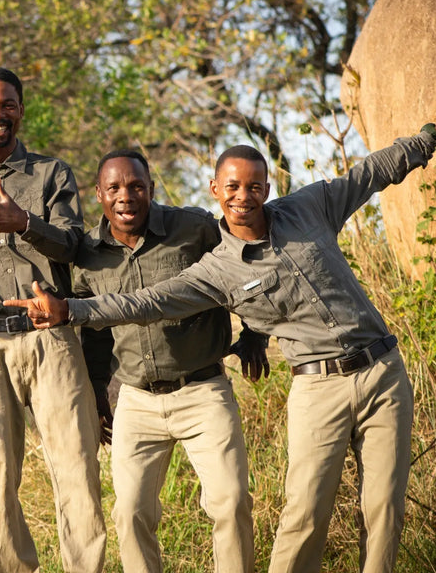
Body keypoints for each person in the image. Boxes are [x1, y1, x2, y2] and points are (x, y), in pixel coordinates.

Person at [5, 107, 436, 573]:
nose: (243, 197)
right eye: (231, 187)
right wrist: (71, 311)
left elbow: (371, 172)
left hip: (383, 371)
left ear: (268, 189)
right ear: (215, 191)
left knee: (385, 508)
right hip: (316, 385)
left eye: (253, 186)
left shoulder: (309, 207)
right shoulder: (216, 270)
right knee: (304, 513)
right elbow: (145, 302)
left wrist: (431, 136)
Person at [75, 149, 267, 572]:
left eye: (136, 186)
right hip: (136, 402)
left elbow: (247, 267)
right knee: (130, 513)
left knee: (231, 503)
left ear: (151, 189)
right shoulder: (88, 253)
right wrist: (99, 392)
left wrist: (256, 332)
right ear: (99, 194)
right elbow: (92, 332)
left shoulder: (193, 228)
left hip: (203, 392)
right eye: (114, 188)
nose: (126, 196)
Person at [0, 67, 106, 573]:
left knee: (76, 466)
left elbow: (75, 245)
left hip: (52, 339)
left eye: (8, 104)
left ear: (21, 109)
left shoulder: (51, 174)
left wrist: (26, 223)